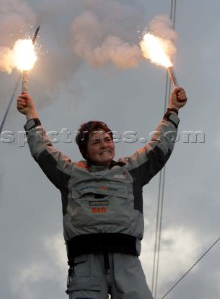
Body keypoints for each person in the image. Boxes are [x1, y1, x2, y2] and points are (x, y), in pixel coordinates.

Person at [17, 86, 187, 299]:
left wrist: (173, 110)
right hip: (85, 264)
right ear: (85, 150)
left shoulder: (130, 171)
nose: (104, 145)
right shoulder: (70, 174)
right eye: (96, 142)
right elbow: (42, 150)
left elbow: (159, 147)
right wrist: (30, 113)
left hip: (126, 261)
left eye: (108, 139)